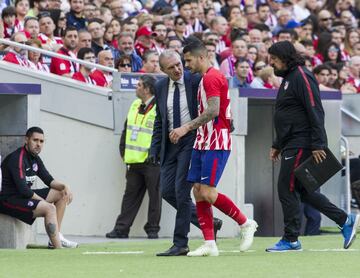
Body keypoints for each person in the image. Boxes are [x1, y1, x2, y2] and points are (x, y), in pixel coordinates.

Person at [266, 41, 359, 252]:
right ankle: (345, 220)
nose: (271, 63)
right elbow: (286, 114)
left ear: (285, 57)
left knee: (285, 188)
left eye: (274, 59)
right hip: (290, 143)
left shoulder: (301, 76)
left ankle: (291, 239)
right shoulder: (289, 78)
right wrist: (277, 144)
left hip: (302, 142)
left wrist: (319, 144)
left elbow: (315, 109)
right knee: (304, 191)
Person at [169, 41, 258, 257]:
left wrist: (185, 128)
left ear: (201, 57)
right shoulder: (206, 77)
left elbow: (213, 111)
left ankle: (245, 222)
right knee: (198, 191)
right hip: (203, 140)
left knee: (207, 192)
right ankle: (210, 243)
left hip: (215, 141)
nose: (186, 65)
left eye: (188, 60)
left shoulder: (211, 77)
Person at [151, 49, 222, 257]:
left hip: (191, 141)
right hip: (169, 145)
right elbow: (159, 119)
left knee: (182, 193)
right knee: (167, 191)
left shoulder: (196, 80)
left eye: (179, 64)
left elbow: (213, 104)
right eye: (171, 67)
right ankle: (210, 223)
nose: (177, 69)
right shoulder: (160, 86)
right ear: (163, 70)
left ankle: (180, 243)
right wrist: (155, 147)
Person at [0, 127, 78, 249]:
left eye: (41, 141)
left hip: (22, 196)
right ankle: (59, 249)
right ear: (26, 140)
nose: (38, 144)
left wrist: (65, 186)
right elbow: (24, 190)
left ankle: (55, 237)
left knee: (61, 193)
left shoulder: (35, 158)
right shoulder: (17, 158)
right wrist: (44, 203)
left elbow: (48, 180)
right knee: (49, 209)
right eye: (35, 140)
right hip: (8, 200)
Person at [106, 75, 161, 239]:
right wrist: (123, 151)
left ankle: (152, 229)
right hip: (133, 160)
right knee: (129, 197)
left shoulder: (160, 107)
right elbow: (126, 129)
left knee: (155, 197)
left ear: (147, 89)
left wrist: (156, 154)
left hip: (152, 161)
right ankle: (121, 229)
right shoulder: (135, 104)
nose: (136, 88)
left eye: (139, 85)